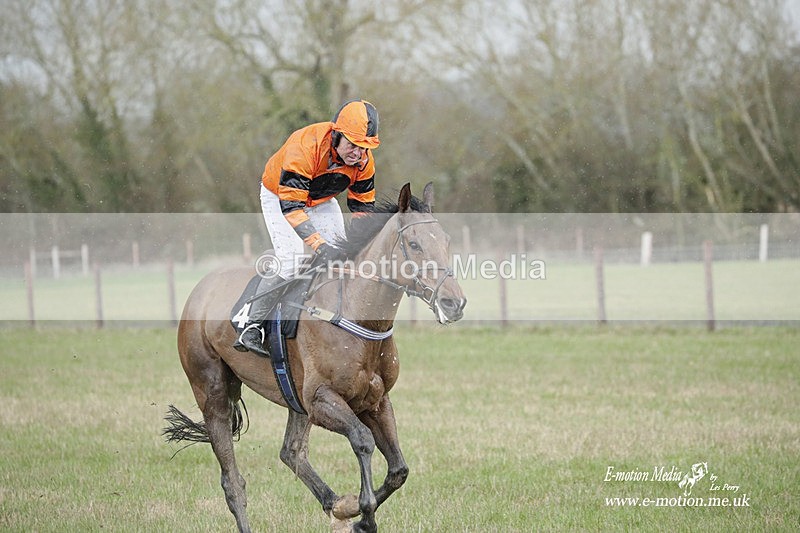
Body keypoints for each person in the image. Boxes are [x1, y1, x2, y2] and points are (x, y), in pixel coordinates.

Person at [234, 99, 380, 355]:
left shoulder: (364, 162)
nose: (358, 154)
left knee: (341, 256)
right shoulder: (305, 145)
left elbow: (362, 209)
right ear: (336, 135)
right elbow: (292, 208)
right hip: (280, 196)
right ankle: (251, 324)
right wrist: (319, 245)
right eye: (353, 145)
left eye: (364, 148)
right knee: (292, 261)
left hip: (321, 200)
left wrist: (355, 247)